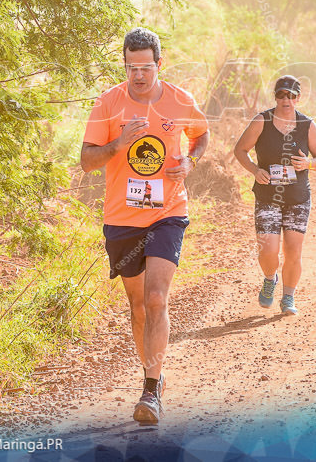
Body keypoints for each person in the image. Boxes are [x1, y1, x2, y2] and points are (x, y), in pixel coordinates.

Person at [81, 27, 209, 425]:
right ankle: (154, 374)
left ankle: (150, 390)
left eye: (146, 67)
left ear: (159, 63)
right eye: (132, 67)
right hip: (122, 218)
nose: (139, 74)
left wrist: (190, 162)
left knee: (156, 298)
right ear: (125, 64)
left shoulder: (179, 99)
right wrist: (118, 144)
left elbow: (202, 134)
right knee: (137, 306)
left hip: (167, 212)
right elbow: (87, 161)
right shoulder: (108, 103)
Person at [233, 75, 316, 316]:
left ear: (298, 98)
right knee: (268, 250)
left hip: (297, 197)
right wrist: (255, 170)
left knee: (293, 250)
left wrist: (307, 163)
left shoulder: (307, 124)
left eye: (291, 95)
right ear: (275, 96)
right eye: (281, 94)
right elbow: (240, 150)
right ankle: (269, 278)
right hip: (268, 196)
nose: (286, 99)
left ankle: (288, 297)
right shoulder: (261, 121)